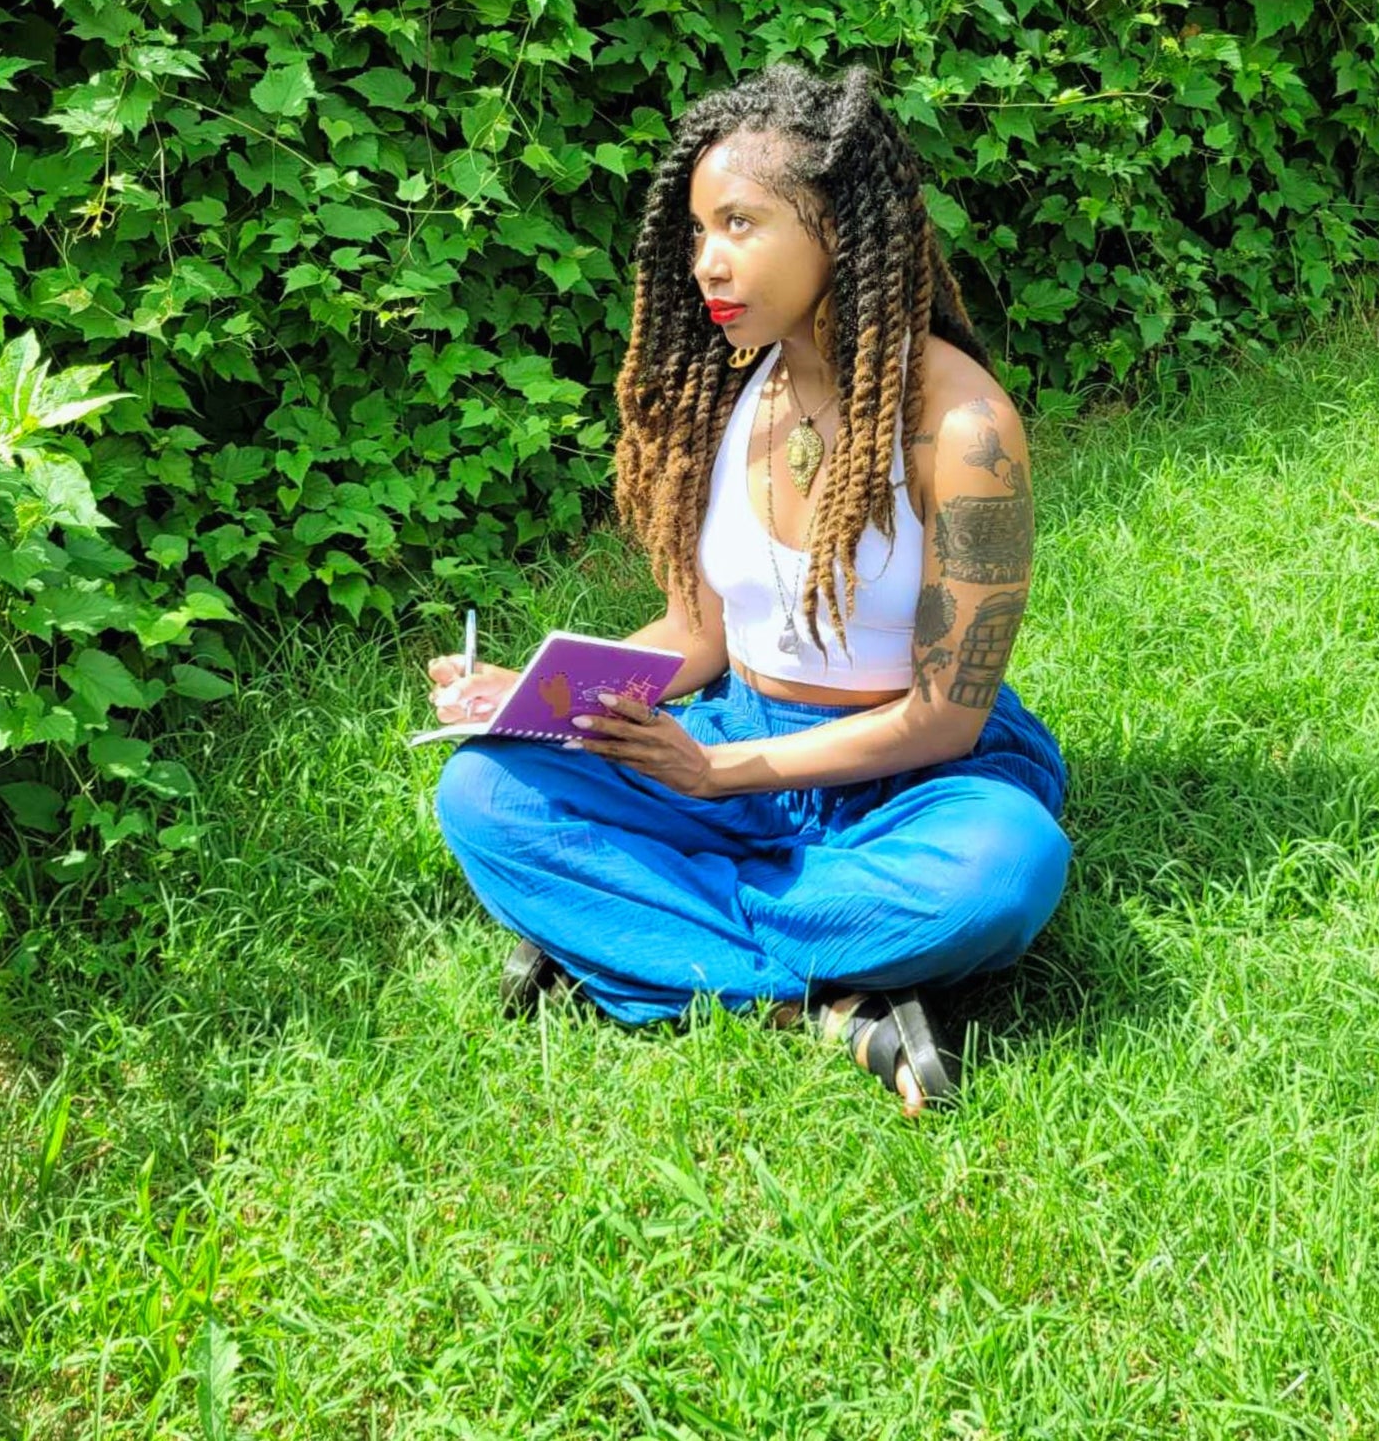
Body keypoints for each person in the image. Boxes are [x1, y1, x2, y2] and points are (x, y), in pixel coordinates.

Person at [427, 64, 1070, 1115]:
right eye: (694, 233)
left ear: (838, 231)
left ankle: (627, 946)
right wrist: (536, 697)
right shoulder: (729, 389)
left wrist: (718, 773)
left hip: (907, 783)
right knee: (485, 793)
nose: (706, 264)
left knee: (1006, 871)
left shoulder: (967, 430)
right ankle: (825, 1010)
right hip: (728, 739)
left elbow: (946, 720)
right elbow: (699, 634)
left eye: (738, 224)